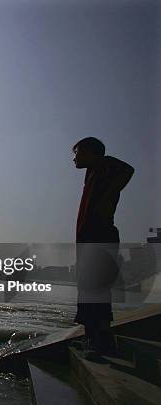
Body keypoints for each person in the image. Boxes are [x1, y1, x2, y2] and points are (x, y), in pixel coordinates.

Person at [72, 137, 134, 355]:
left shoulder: (106, 166)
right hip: (88, 238)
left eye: (77, 152)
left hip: (100, 235)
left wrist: (109, 194)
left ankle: (102, 340)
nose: (74, 158)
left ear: (90, 152)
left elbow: (128, 169)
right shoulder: (92, 175)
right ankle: (92, 337)